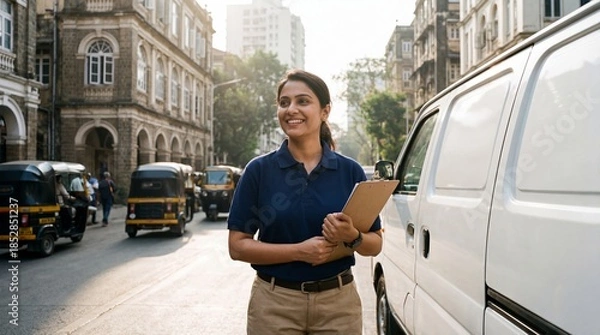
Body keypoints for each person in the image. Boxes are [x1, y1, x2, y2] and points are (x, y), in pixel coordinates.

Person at [227, 69, 383, 334]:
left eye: (303, 101)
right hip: (274, 305)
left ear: (325, 111)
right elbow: (237, 247)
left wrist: (352, 235)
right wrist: (299, 251)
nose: (291, 109)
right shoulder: (259, 171)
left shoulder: (350, 171)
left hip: (339, 305)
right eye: (284, 102)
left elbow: (375, 244)